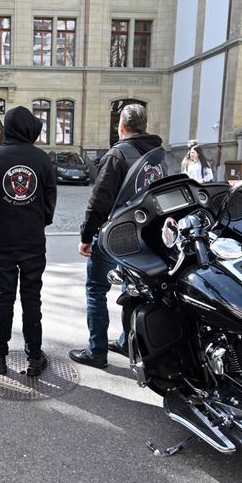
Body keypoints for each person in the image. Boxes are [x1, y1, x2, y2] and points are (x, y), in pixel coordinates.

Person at [69, 103, 163, 368]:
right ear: (144, 127)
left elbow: (100, 200)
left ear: (121, 127)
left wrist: (86, 236)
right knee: (133, 290)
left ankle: (97, 351)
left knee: (97, 289)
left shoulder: (118, 154)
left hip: (117, 235)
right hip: (146, 236)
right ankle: (127, 341)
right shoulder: (159, 156)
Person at [0, 106, 57, 377]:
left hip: (3, 241)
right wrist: (36, 222)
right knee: (32, 298)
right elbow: (49, 201)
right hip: (33, 240)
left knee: (4, 296)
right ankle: (34, 357)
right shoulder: (42, 160)